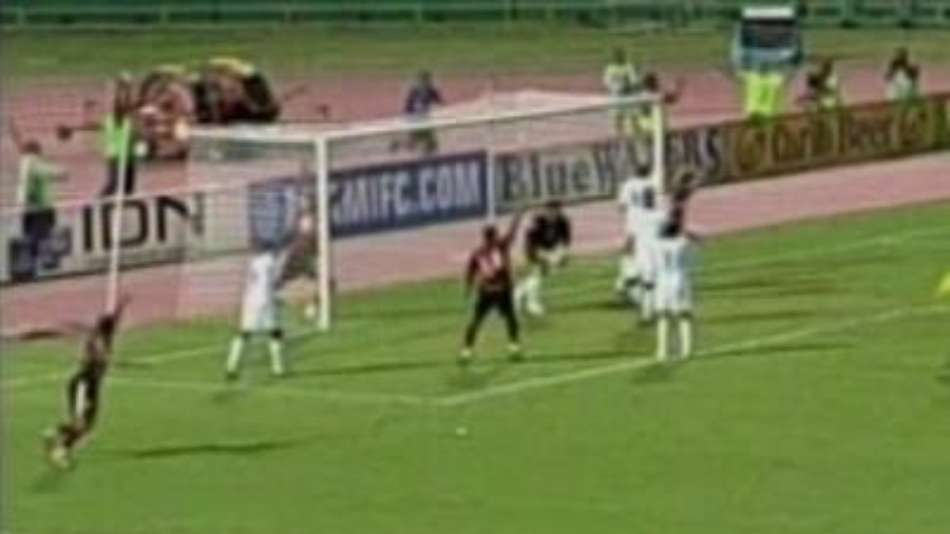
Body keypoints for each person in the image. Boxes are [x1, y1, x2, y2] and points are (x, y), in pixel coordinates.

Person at [44, 295, 131, 469]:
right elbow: (92, 358)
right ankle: (60, 451)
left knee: (87, 427)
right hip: (82, 385)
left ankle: (56, 433)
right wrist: (106, 360)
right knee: (81, 425)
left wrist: (122, 305)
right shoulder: (96, 342)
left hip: (93, 388)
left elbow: (113, 319)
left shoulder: (105, 339)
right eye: (113, 328)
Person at [461, 211, 525, 365]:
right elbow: (512, 234)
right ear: (495, 235)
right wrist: (517, 217)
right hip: (502, 290)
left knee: (477, 320)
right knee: (510, 318)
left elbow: (470, 273)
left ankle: (466, 351)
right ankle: (514, 347)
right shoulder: (500, 246)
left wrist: (468, 289)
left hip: (486, 291)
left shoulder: (477, 253)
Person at [9, 120, 68, 279]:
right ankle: (37, 266)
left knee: (33, 237)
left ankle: (30, 267)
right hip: (39, 207)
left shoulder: (25, 163)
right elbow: (52, 172)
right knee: (39, 237)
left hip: (27, 207)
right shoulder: (34, 163)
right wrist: (62, 171)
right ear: (36, 151)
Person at [226, 249, 287, 379]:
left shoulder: (254, 261)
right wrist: (278, 297)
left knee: (244, 333)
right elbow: (274, 282)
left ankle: (231, 368)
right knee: (275, 332)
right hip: (265, 300)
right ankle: (278, 368)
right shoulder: (270, 261)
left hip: (250, 300)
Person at [514, 200, 572, 317]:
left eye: (557, 211)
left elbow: (565, 241)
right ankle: (529, 304)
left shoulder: (563, 221)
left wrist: (562, 254)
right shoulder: (538, 221)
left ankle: (518, 301)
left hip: (548, 250)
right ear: (547, 210)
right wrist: (543, 256)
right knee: (533, 275)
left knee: (535, 277)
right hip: (531, 249)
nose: (554, 213)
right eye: (551, 211)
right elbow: (529, 241)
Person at [653, 218, 695, 362]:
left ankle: (661, 351)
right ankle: (686, 350)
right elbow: (695, 240)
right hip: (679, 280)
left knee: (662, 315)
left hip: (662, 282)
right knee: (684, 314)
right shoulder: (682, 243)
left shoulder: (657, 244)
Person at [393, 70, 444, 155]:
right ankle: (426, 154)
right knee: (426, 141)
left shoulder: (416, 89)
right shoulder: (429, 89)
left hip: (414, 117)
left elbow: (408, 105)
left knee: (417, 142)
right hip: (418, 118)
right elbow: (440, 102)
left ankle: (398, 144)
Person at [603, 47, 642, 136]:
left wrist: (628, 84)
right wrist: (615, 87)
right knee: (617, 119)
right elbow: (607, 82)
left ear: (623, 56)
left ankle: (637, 137)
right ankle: (619, 137)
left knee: (633, 117)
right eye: (616, 55)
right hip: (616, 97)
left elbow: (634, 80)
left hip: (629, 96)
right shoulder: (610, 68)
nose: (618, 57)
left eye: (620, 55)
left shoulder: (628, 67)